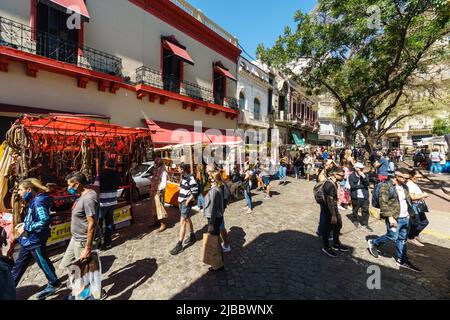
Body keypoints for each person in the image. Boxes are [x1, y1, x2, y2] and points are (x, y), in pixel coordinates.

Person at [12, 179, 61, 300]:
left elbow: (44, 221)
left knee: (43, 262)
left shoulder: (38, 201)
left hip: (35, 239)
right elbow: (35, 217)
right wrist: (24, 224)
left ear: (29, 190)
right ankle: (9, 287)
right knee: (19, 264)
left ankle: (54, 283)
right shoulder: (35, 200)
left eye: (20, 190)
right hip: (28, 239)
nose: (18, 192)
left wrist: (26, 226)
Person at [367, 168, 421, 272]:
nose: (407, 180)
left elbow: (407, 201)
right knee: (392, 236)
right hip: (394, 218)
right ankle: (374, 242)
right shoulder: (386, 186)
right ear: (397, 176)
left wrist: (410, 214)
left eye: (408, 178)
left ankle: (402, 260)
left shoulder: (405, 186)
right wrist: (390, 218)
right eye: (405, 178)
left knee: (402, 239)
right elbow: (383, 203)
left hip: (405, 217)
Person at [60, 172, 99, 276]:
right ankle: (79, 287)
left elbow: (92, 224)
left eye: (69, 185)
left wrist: (88, 247)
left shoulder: (88, 199)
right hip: (75, 238)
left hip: (82, 240)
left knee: (83, 271)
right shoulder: (81, 195)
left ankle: (88, 290)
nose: (68, 188)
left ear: (76, 184)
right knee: (66, 264)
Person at [170, 164, 199, 255]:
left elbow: (195, 190)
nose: (177, 169)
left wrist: (188, 201)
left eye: (178, 168)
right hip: (182, 202)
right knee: (187, 219)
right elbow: (188, 188)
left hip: (185, 202)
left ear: (182, 169)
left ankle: (179, 245)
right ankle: (192, 235)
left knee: (182, 222)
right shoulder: (184, 177)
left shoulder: (190, 177)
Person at [321, 167, 350, 257]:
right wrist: (333, 215)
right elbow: (329, 200)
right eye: (341, 175)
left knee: (338, 224)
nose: (343, 177)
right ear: (335, 174)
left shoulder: (334, 182)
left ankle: (336, 243)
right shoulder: (329, 185)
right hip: (329, 209)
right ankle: (326, 247)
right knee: (328, 227)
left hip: (333, 208)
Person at [203, 170, 226, 272]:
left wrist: (211, 223)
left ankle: (217, 264)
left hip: (214, 218)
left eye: (211, 178)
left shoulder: (214, 190)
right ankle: (218, 263)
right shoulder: (218, 188)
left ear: (215, 179)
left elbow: (213, 208)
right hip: (217, 217)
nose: (209, 179)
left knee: (214, 241)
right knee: (216, 240)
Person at [97, 159, 121, 249]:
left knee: (98, 224)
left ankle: (98, 244)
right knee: (109, 223)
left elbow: (96, 187)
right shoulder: (117, 174)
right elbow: (118, 185)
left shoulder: (101, 174)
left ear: (106, 164)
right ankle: (108, 243)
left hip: (102, 202)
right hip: (112, 200)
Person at [407, 170, 430, 247]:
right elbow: (413, 198)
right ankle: (410, 237)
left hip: (418, 206)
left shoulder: (413, 184)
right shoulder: (410, 185)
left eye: (420, 177)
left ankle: (415, 235)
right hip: (414, 206)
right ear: (411, 176)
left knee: (424, 222)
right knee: (416, 223)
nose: (419, 179)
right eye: (418, 177)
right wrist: (423, 195)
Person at [349, 163, 372, 231]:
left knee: (365, 210)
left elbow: (367, 184)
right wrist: (362, 186)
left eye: (362, 168)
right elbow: (352, 186)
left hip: (364, 196)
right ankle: (355, 220)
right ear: (355, 168)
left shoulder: (365, 175)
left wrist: (363, 177)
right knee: (355, 209)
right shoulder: (351, 176)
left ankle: (365, 223)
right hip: (355, 196)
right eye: (360, 168)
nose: (361, 169)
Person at [150, 158, 169, 232]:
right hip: (153, 190)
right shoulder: (156, 169)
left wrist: (160, 189)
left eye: (155, 163)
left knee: (160, 207)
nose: (154, 164)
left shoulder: (163, 171)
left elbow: (164, 182)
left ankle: (163, 224)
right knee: (153, 207)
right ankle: (156, 222)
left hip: (158, 191)